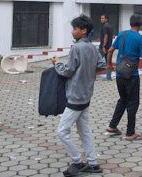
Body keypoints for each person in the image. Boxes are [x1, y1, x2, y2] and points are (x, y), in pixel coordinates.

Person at [52, 15, 105, 176]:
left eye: (75, 29)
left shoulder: (76, 48)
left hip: (75, 96)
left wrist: (57, 64)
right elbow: (101, 64)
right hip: (86, 95)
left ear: (84, 31)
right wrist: (88, 72)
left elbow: (68, 71)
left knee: (62, 131)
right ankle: (93, 163)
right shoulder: (93, 48)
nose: (72, 31)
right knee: (84, 130)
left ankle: (77, 161)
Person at [106, 14, 142, 141]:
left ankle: (112, 126)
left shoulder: (121, 34)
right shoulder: (140, 39)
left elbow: (110, 50)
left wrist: (109, 64)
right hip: (131, 75)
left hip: (119, 73)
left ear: (130, 23)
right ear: (140, 24)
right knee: (133, 102)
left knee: (123, 99)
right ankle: (130, 133)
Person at [99, 14, 114, 81]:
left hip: (105, 47)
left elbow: (106, 36)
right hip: (110, 46)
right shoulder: (110, 26)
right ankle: (109, 77)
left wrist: (103, 46)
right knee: (108, 62)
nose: (101, 19)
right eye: (101, 18)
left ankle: (92, 76)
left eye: (102, 18)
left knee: (97, 60)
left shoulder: (105, 26)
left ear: (106, 19)